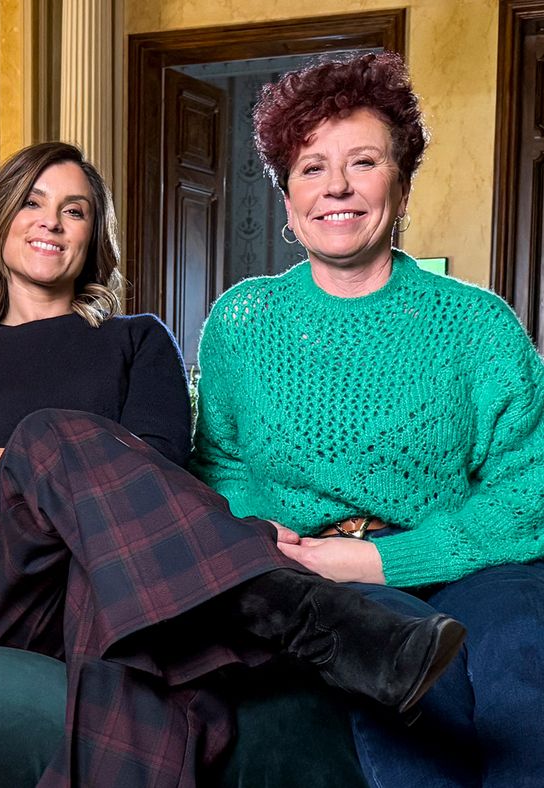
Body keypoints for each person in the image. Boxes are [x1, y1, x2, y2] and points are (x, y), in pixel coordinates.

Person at [0, 140, 466, 787]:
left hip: (116, 576)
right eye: (32, 203)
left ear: (92, 236)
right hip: (5, 588)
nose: (51, 222)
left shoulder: (136, 339)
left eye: (74, 210)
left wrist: (13, 459)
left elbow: (158, 467)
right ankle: (305, 615)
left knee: (123, 601)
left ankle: (290, 620)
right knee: (45, 436)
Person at [193, 52, 544, 787]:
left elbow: (527, 489)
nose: (338, 187)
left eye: (363, 162)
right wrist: (272, 537)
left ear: (402, 184)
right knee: (407, 673)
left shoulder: (478, 324)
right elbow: (221, 464)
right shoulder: (242, 321)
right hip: (306, 572)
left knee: (519, 656)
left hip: (470, 565)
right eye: (312, 167)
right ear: (288, 195)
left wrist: (380, 561)